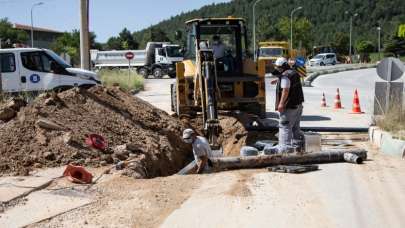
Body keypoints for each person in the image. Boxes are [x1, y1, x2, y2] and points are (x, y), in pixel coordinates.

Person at [271, 57, 305, 153]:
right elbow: (289, 83)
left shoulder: (285, 76)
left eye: (277, 67)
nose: (276, 68)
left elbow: (286, 90)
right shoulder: (293, 73)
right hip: (298, 106)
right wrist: (278, 80)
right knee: (295, 128)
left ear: (282, 67)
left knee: (284, 127)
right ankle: (297, 150)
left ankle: (284, 151)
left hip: (289, 107)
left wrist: (281, 104)